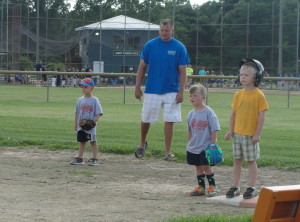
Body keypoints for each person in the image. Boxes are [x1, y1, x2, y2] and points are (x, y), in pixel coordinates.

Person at [134, 18, 190, 160]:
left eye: (167, 30)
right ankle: (142, 144)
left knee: (169, 121)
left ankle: (167, 152)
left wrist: (181, 91)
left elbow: (183, 71)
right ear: (159, 30)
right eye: (162, 30)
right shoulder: (150, 46)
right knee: (145, 119)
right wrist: (137, 87)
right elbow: (141, 67)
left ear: (172, 30)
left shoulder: (179, 47)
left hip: (171, 89)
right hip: (152, 88)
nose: (164, 33)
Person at [224, 58, 269, 199]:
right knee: (237, 160)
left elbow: (262, 117)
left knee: (251, 161)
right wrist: (231, 130)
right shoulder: (238, 94)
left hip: (250, 135)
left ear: (256, 77)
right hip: (237, 134)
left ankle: (251, 187)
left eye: (246, 75)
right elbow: (233, 114)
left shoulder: (259, 95)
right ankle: (235, 186)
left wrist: (257, 134)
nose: (242, 77)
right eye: (241, 74)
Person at [187, 84, 220, 197]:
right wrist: (190, 142)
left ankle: (213, 186)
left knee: (206, 166)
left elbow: (214, 128)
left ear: (203, 98)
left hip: (206, 146)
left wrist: (213, 143)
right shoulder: (190, 114)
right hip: (194, 146)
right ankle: (201, 187)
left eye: (195, 95)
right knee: (198, 166)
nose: (192, 98)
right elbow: (190, 130)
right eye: (190, 95)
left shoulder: (208, 112)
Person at [71, 78, 103, 166]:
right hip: (81, 126)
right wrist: (76, 124)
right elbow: (76, 112)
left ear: (92, 88)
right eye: (82, 87)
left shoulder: (95, 100)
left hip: (90, 127)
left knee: (92, 141)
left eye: (86, 87)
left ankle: (94, 158)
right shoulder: (80, 100)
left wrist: (92, 123)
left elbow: (99, 113)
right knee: (82, 141)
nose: (83, 89)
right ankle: (80, 158)